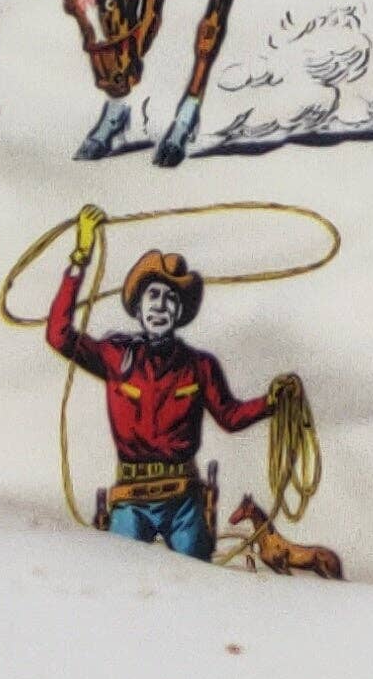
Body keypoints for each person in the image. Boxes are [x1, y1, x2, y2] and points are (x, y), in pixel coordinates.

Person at [44, 236, 279, 558]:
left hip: (184, 502)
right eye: (153, 295)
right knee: (118, 574)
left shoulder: (199, 365)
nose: (160, 306)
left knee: (199, 578)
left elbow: (230, 416)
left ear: (179, 311)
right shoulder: (115, 356)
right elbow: (58, 336)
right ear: (138, 306)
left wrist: (272, 402)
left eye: (170, 299)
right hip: (130, 500)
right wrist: (80, 258)